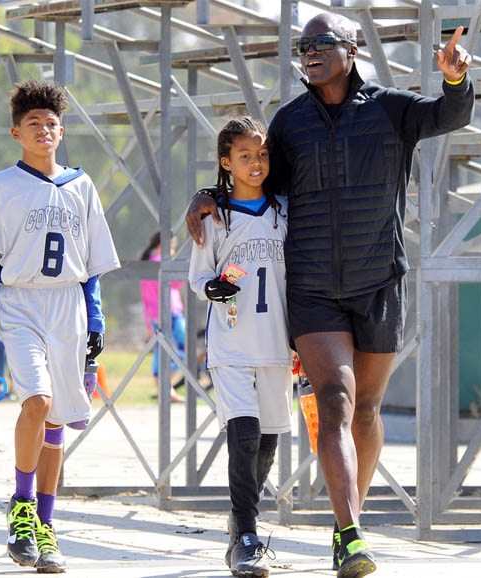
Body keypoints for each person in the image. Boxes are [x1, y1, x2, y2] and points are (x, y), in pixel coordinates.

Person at [186, 13, 473, 578]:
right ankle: (348, 535)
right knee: (336, 403)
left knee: (365, 411)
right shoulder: (289, 123)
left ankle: (351, 521)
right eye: (301, 46)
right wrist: (205, 192)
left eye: (320, 44)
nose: (309, 53)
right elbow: (255, 180)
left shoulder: (393, 108)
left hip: (379, 284)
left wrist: (456, 80)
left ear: (352, 47)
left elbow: (450, 115)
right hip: (314, 288)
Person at [0, 79, 120, 573]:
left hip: (69, 305)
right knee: (38, 401)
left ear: (61, 130)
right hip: (21, 303)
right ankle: (22, 506)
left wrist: (96, 318)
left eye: (52, 123)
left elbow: (91, 264)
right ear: (17, 132)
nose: (45, 130)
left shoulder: (81, 186)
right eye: (35, 124)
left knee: (57, 421)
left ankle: (46, 527)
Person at [188, 117, 290, 578]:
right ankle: (246, 536)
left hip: (276, 341)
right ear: (226, 162)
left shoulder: (285, 210)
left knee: (267, 439)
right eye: (245, 156)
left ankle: (239, 519)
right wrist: (213, 289)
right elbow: (199, 276)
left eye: (262, 154)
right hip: (231, 340)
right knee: (244, 431)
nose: (256, 163)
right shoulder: (215, 216)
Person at [139, 231, 186, 402]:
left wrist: (147, 322)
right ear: (162, 246)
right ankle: (165, 386)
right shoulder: (160, 263)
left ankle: (165, 389)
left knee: (161, 351)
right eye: (172, 248)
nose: (174, 251)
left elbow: (145, 297)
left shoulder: (147, 264)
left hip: (155, 314)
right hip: (169, 311)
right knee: (183, 347)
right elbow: (177, 280)